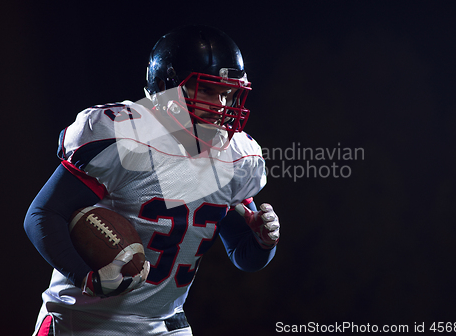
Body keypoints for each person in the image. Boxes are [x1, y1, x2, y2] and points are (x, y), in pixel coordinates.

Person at [24, 24, 280, 336]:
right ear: (165, 86)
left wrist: (262, 241)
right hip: (84, 322)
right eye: (208, 91)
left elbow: (244, 254)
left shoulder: (235, 156)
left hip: (164, 326)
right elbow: (42, 214)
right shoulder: (125, 137)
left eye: (228, 93)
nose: (222, 106)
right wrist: (85, 278)